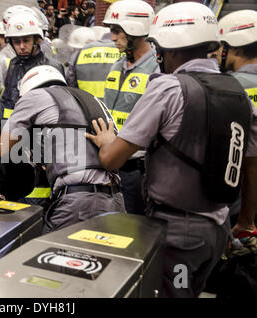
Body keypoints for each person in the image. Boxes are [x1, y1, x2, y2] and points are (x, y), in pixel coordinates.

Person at [86, 2, 254, 297]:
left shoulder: (168, 88)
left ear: (171, 50)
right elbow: (252, 165)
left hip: (179, 238)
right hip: (219, 230)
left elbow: (112, 160)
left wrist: (106, 142)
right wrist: (246, 221)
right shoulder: (238, 93)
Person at [0, 65, 125, 233]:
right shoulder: (93, 100)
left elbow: (1, 149)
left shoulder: (35, 97)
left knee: (40, 254)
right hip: (115, 199)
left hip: (78, 203)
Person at [102, 0, 158, 215]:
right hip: (111, 163)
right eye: (111, 31)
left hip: (138, 170)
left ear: (136, 30)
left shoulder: (156, 70)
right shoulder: (116, 66)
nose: (113, 37)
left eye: (117, 31)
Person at [216, 10, 257, 238]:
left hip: (240, 203)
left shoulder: (228, 87)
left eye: (224, 46)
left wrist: (246, 220)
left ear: (236, 48)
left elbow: (251, 161)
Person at [0, 12, 63, 134]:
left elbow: (60, 107)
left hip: (39, 136)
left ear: (37, 40)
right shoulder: (13, 64)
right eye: (16, 41)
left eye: (26, 41)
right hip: (14, 134)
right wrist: (0, 128)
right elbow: (7, 100)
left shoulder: (52, 67)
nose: (21, 46)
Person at [66, 25, 123, 99]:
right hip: (115, 106)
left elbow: (71, 82)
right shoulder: (122, 51)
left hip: (88, 105)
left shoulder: (79, 54)